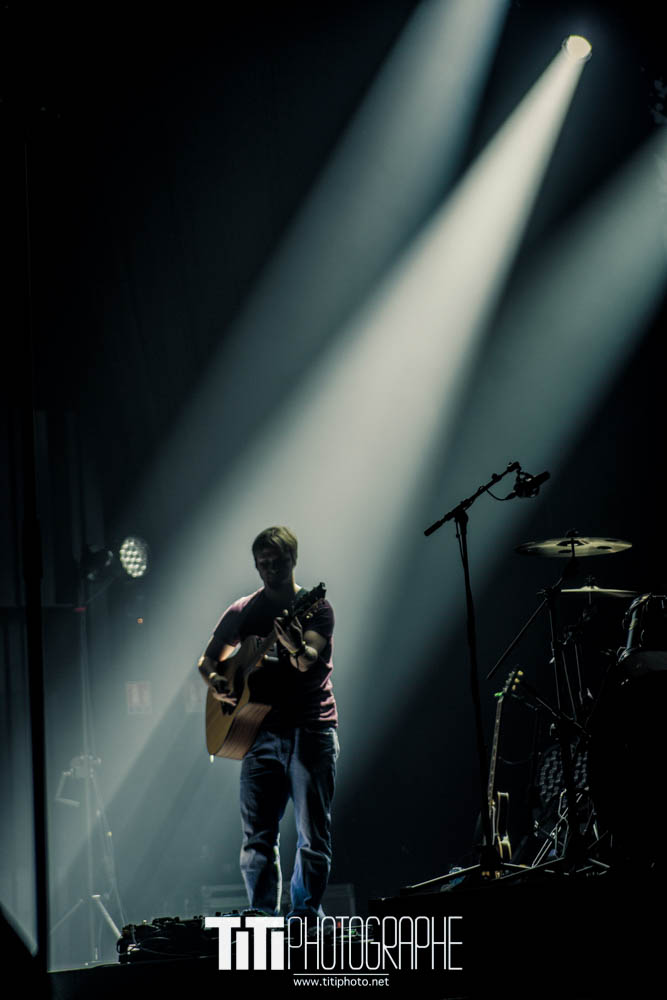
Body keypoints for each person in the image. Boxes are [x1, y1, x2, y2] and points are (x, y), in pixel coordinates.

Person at [198, 526, 338, 928]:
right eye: (263, 563)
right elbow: (208, 660)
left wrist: (293, 644)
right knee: (258, 837)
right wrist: (219, 683)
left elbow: (307, 659)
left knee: (312, 835)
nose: (271, 569)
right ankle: (262, 917)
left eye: (278, 561)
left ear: (293, 559)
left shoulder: (317, 608)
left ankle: (304, 918)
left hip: (311, 730)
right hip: (258, 734)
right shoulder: (244, 610)